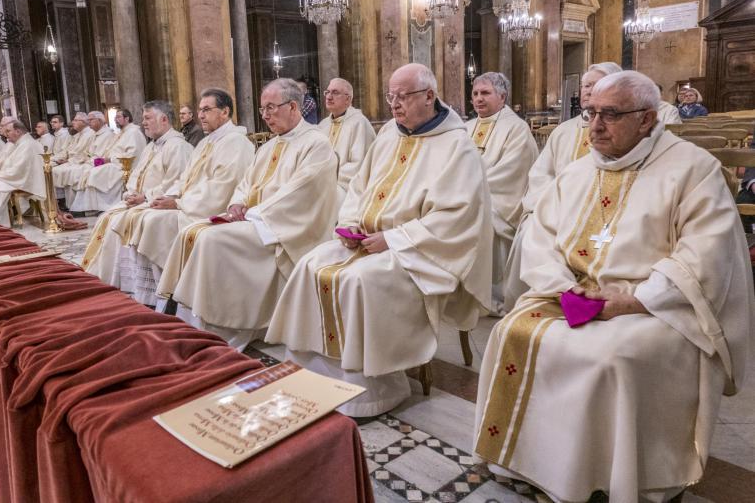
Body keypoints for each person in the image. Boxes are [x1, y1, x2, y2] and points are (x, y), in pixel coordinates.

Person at [474, 70, 751, 503]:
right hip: (573, 293)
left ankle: (607, 474)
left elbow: (705, 255)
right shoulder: (579, 171)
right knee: (511, 330)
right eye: (590, 114)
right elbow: (541, 236)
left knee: (609, 357)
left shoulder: (694, 171)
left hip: (655, 305)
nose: (595, 126)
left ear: (646, 119)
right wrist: (562, 285)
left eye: (610, 115)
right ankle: (533, 462)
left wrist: (635, 299)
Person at [266, 63, 493, 416]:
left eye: (403, 96)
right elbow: (358, 188)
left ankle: (369, 389)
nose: (394, 104)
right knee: (310, 264)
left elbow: (457, 216)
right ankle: (312, 373)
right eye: (391, 96)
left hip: (416, 252)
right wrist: (352, 224)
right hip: (367, 240)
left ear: (429, 96)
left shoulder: (457, 146)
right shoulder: (388, 133)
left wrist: (394, 238)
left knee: (358, 280)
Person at [155, 78, 337, 348]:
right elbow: (245, 183)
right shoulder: (269, 146)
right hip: (257, 220)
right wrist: (237, 203)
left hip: (287, 230)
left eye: (271, 108)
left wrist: (254, 213)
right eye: (263, 109)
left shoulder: (316, 144)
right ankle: (190, 320)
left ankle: (225, 327)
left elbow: (301, 193)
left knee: (211, 239)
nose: (265, 116)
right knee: (192, 231)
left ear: (293, 106)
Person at [112, 89, 255, 306]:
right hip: (190, 204)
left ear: (225, 112)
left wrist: (178, 203)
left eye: (207, 110)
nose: (201, 115)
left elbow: (221, 188)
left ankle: (168, 293)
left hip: (209, 209)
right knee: (144, 215)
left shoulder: (236, 142)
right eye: (200, 110)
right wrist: (165, 197)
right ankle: (150, 292)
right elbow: (185, 178)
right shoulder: (207, 142)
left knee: (152, 221)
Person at [503, 62, 623, 313]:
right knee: (531, 231)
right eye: (585, 85)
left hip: (608, 215)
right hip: (557, 209)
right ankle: (536, 300)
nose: (588, 90)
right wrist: (543, 207)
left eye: (596, 84)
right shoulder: (564, 132)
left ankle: (598, 299)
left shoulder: (626, 133)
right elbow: (541, 174)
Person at [81, 100, 195, 284]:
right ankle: (111, 278)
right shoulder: (151, 146)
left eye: (148, 118)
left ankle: (136, 284)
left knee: (119, 221)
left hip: (158, 203)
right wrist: (131, 193)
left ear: (164, 119)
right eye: (143, 118)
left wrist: (145, 197)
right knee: (106, 217)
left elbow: (176, 182)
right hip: (141, 201)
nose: (144, 122)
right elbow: (135, 175)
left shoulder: (178, 146)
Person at [463, 72, 537, 314]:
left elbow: (512, 171)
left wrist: (471, 190)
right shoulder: (465, 127)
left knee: (481, 219)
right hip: (465, 194)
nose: (478, 99)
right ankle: (460, 288)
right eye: (475, 93)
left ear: (502, 96)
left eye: (485, 93)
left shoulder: (517, 128)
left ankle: (490, 295)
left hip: (499, 200)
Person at [70, 109, 147, 212]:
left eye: (118, 117)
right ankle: (89, 207)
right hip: (114, 163)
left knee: (94, 173)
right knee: (90, 171)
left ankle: (102, 206)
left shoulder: (133, 132)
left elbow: (132, 155)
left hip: (124, 166)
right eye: (115, 117)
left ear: (127, 118)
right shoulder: (122, 132)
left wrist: (110, 159)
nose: (115, 119)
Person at [317, 77, 376, 207]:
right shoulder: (323, 125)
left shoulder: (359, 123)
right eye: (327, 92)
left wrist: (327, 176)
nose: (329, 97)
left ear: (348, 99)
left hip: (346, 186)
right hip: (322, 181)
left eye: (335, 92)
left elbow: (360, 164)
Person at [54, 111, 114, 209]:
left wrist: (83, 161)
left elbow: (100, 156)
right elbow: (86, 152)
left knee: (72, 172)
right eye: (88, 120)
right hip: (88, 161)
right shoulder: (95, 134)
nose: (88, 122)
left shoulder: (106, 134)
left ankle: (80, 206)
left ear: (99, 120)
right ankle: (69, 204)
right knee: (69, 172)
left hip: (97, 163)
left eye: (91, 120)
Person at [51, 112, 94, 207]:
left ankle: (70, 204)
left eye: (75, 120)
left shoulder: (89, 134)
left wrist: (68, 161)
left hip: (80, 162)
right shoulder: (79, 134)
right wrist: (58, 159)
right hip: (73, 161)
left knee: (64, 172)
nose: (72, 123)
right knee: (53, 169)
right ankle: (61, 200)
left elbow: (86, 153)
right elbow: (69, 150)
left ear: (83, 122)